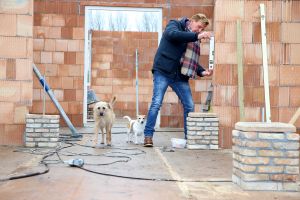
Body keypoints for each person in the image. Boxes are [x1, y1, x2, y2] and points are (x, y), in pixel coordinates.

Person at [143, 13, 213, 147]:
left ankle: (189, 138)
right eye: (198, 27)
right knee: (156, 103)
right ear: (191, 21)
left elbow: (188, 60)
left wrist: (202, 71)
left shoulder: (192, 37)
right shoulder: (175, 24)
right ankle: (148, 136)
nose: (199, 31)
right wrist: (196, 36)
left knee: (189, 105)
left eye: (202, 30)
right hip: (163, 70)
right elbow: (172, 35)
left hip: (179, 76)